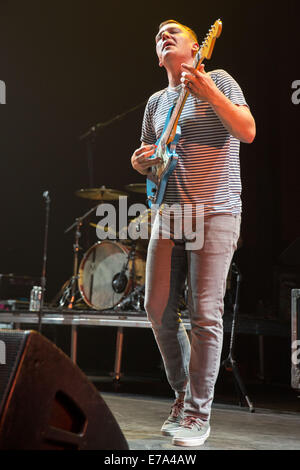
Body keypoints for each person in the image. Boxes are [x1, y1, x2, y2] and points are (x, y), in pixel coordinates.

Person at [131, 19, 255, 447]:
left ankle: (198, 415)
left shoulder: (219, 79)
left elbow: (247, 130)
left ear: (197, 46)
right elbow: (153, 157)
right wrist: (139, 162)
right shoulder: (155, 102)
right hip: (170, 215)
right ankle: (184, 394)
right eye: (158, 36)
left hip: (215, 211)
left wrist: (209, 93)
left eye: (172, 33)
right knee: (157, 308)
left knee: (205, 314)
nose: (163, 36)